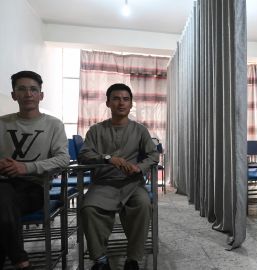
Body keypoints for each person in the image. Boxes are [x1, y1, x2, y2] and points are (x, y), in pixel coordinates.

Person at [78, 83, 159, 270]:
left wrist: (139, 168)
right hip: (103, 184)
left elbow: (153, 155)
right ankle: (100, 260)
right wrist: (108, 158)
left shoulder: (140, 130)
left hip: (132, 184)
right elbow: (84, 155)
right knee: (89, 208)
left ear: (131, 104)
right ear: (108, 103)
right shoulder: (96, 131)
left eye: (125, 99)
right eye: (115, 99)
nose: (121, 103)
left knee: (143, 204)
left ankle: (133, 259)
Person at [0, 71, 70, 269]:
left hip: (33, 188)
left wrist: (25, 167)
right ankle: (21, 261)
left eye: (33, 89)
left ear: (41, 95)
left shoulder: (53, 124)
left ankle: (19, 260)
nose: (28, 94)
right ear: (13, 95)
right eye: (21, 89)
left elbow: (63, 159)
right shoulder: (1, 123)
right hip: (3, 182)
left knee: (2, 199)